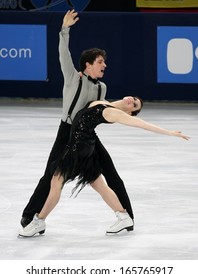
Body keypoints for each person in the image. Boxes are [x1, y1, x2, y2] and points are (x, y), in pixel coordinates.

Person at [20, 10, 135, 231]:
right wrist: (65, 28)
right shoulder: (73, 77)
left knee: (110, 172)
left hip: (88, 134)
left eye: (105, 62)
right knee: (50, 176)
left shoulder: (102, 87)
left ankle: (127, 216)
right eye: (101, 61)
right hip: (67, 132)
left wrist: (120, 111)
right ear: (88, 64)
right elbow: (63, 53)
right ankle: (29, 216)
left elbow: (100, 114)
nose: (105, 65)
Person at [18, 97, 190, 237]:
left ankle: (39, 220)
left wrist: (170, 133)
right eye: (134, 98)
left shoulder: (114, 113)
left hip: (78, 150)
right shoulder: (105, 104)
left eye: (135, 105)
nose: (132, 100)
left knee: (56, 182)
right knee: (98, 184)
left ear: (130, 112)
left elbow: (142, 124)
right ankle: (123, 216)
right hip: (85, 149)